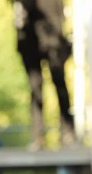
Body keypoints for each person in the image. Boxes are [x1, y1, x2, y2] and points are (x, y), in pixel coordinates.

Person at [14, 0, 75, 149]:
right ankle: (37, 135)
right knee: (35, 87)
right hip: (29, 36)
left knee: (59, 83)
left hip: (52, 36)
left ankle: (67, 132)